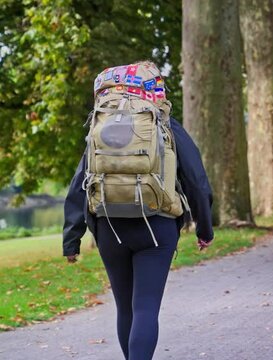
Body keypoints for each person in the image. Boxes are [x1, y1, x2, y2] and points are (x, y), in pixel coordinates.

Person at [63, 63, 214, 360]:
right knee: (145, 307)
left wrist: (71, 240)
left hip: (109, 228)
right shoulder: (165, 124)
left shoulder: (100, 128)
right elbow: (197, 182)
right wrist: (204, 228)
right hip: (156, 228)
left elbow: (78, 184)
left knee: (125, 308)